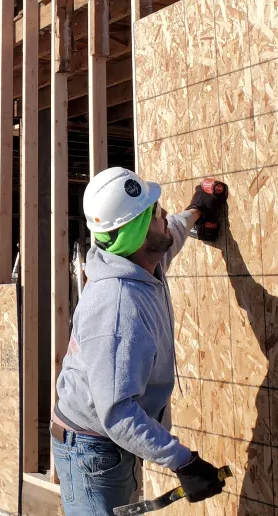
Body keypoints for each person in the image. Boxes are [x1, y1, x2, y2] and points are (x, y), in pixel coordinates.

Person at [52, 166, 228, 516]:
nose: (163, 214)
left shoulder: (139, 260)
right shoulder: (118, 307)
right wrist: (184, 462)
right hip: (93, 452)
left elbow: (171, 234)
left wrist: (197, 208)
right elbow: (118, 413)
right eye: (154, 213)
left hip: (107, 446)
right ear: (137, 235)